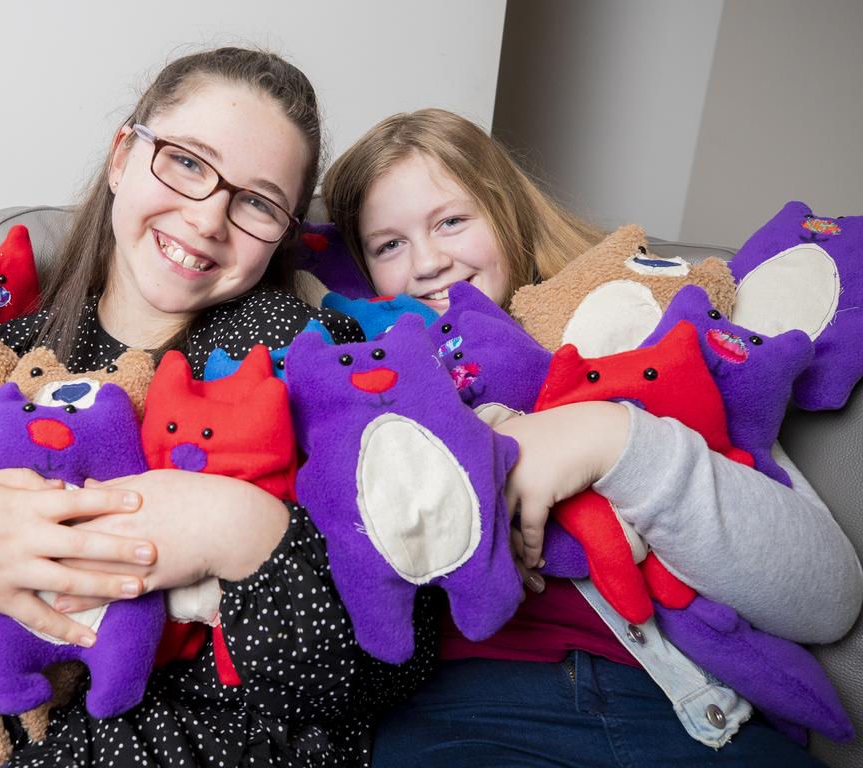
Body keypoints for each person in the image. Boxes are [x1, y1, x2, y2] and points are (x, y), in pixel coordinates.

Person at [0, 47, 415, 768]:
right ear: (122, 158)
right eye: (186, 162)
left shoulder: (304, 355)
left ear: (286, 234)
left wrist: (243, 528)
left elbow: (393, 665)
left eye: (258, 203)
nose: (208, 219)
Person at [323, 108, 863, 767]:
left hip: (685, 711)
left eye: (451, 222)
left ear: (505, 213)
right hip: (463, 715)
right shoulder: (360, 387)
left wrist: (613, 441)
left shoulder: (646, 334)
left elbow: (828, 601)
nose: (428, 262)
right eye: (388, 245)